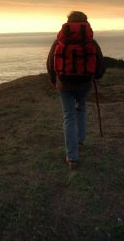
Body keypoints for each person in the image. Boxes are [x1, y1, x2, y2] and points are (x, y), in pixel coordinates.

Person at [46, 11, 105, 170]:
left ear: (68, 22)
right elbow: (100, 63)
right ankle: (80, 141)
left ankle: (72, 158)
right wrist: (96, 76)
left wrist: (53, 79)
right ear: (85, 23)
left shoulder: (59, 41)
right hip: (85, 83)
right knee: (81, 109)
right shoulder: (90, 41)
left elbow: (50, 62)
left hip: (64, 84)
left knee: (69, 116)